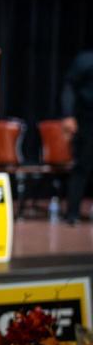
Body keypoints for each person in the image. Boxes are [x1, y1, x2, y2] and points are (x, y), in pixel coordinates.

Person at [63, 49, 93, 225]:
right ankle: (72, 213)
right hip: (87, 120)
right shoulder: (86, 60)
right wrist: (68, 115)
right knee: (82, 165)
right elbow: (69, 86)